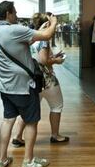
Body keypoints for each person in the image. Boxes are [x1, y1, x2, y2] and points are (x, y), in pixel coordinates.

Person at [0, 1, 57, 167]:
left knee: (7, 121)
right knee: (31, 123)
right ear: (8, 14)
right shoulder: (15, 29)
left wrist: (39, 28)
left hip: (5, 86)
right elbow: (48, 35)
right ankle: (28, 160)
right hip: (23, 86)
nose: (17, 15)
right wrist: (54, 23)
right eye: (15, 12)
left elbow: (22, 43)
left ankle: (2, 159)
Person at [12, 12, 68, 148]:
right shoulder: (44, 39)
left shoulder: (29, 36)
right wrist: (57, 60)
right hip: (46, 79)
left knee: (28, 108)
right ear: (48, 24)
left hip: (32, 78)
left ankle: (17, 137)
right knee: (57, 106)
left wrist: (52, 55)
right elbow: (44, 60)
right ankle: (55, 135)